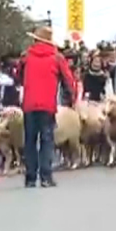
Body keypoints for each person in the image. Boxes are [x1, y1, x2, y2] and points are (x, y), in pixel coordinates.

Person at [21, 26, 76, 188]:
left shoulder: (26, 57)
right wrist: (70, 99)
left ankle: (30, 178)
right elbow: (68, 81)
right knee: (47, 140)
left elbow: (18, 75)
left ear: (36, 40)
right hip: (47, 105)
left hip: (29, 104)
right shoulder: (57, 58)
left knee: (30, 140)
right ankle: (46, 177)